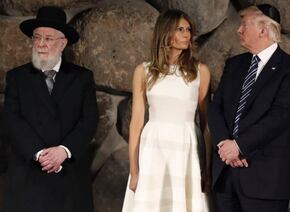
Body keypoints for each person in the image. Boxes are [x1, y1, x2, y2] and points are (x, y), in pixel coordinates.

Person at [208, 4, 290, 212]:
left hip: (266, 180)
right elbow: (216, 107)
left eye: (244, 25)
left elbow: (281, 117)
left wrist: (239, 146)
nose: (239, 30)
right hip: (226, 175)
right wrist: (224, 146)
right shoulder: (235, 64)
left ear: (263, 30)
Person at [2, 6, 98, 212]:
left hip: (68, 173)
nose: (41, 44)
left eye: (48, 39)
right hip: (28, 173)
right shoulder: (17, 77)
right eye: (37, 38)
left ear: (63, 43)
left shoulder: (82, 78)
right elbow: (11, 119)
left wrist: (63, 151)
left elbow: (89, 120)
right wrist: (40, 154)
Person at [121, 9, 211, 212]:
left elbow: (207, 125)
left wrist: (207, 170)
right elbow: (136, 124)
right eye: (180, 29)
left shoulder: (200, 71)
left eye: (188, 29)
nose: (187, 34)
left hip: (187, 147)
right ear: (165, 32)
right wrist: (134, 170)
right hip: (154, 148)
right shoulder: (143, 71)